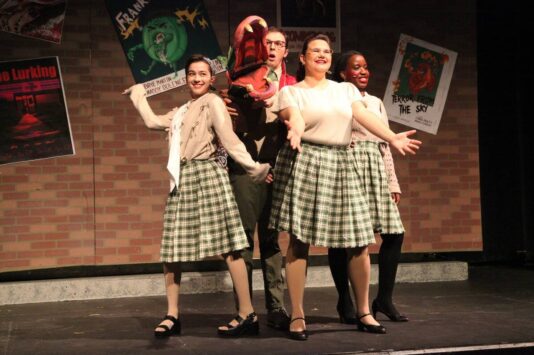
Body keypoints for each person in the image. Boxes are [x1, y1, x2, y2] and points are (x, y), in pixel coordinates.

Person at [270, 34, 421, 340]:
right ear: (303, 58)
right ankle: (298, 314)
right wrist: (296, 131)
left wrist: (391, 137)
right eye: (316, 51)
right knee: (299, 240)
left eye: (327, 51)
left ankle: (364, 311)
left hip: (342, 161)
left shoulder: (345, 89)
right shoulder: (291, 92)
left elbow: (363, 115)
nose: (322, 55)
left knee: (359, 239)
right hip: (307, 159)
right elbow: (293, 118)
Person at [124, 54, 270, 338]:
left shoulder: (212, 102)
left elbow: (229, 139)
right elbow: (153, 122)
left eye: (203, 73)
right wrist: (138, 95)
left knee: (230, 245)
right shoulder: (182, 111)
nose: (197, 78)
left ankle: (247, 314)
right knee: (172, 249)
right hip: (183, 178)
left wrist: (253, 168)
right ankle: (172, 315)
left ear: (211, 78)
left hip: (208, 174)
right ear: (186, 78)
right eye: (192, 74)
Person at [223, 27, 296, 330]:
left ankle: (276, 308)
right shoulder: (239, 80)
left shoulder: (293, 85)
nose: (273, 48)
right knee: (242, 239)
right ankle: (245, 309)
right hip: (245, 166)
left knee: (271, 240)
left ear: (286, 52)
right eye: (268, 43)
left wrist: (276, 167)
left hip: (278, 167)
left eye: (279, 44)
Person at [328, 50, 409, 325]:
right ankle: (345, 299)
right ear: (342, 74)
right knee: (344, 238)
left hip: (374, 167)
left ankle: (384, 298)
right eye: (356, 68)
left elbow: (384, 142)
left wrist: (391, 180)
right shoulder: (336, 98)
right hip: (347, 166)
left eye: (365, 67)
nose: (362, 71)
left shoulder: (375, 102)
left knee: (394, 233)